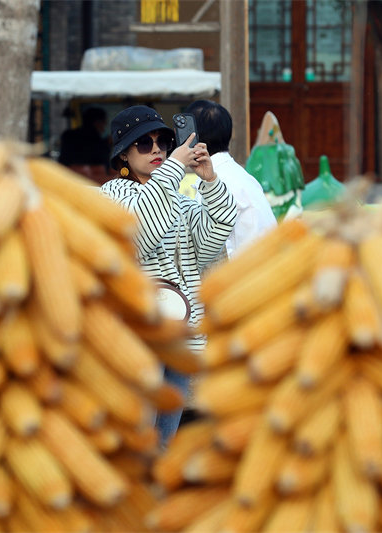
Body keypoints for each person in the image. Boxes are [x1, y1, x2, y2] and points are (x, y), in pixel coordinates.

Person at [100, 105, 237, 446]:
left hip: (179, 334)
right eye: (143, 144)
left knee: (165, 439)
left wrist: (209, 182)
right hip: (139, 336)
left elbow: (212, 238)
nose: (157, 149)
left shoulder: (178, 198)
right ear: (124, 155)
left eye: (163, 141)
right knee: (138, 436)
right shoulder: (113, 194)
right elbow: (141, 233)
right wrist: (176, 167)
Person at [183, 100, 277, 258]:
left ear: (192, 137)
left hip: (245, 275)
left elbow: (207, 250)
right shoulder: (237, 174)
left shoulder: (215, 182)